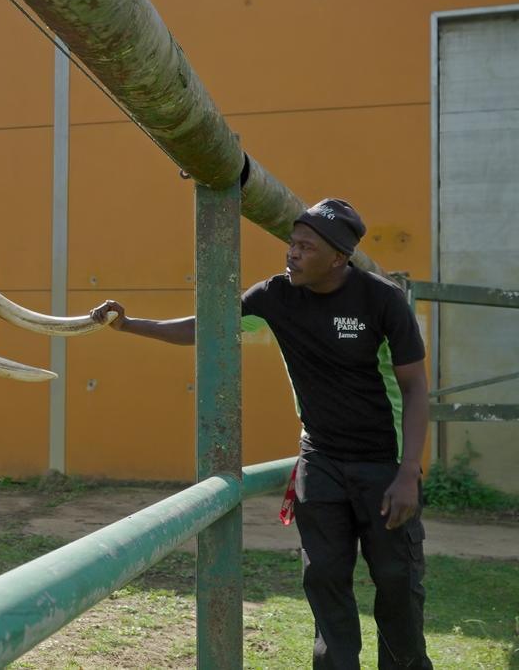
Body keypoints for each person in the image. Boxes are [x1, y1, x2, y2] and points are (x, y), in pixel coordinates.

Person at [90, 199, 431, 669]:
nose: (292, 253)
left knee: (396, 582)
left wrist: (408, 472)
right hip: (321, 460)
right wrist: (129, 324)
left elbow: (415, 388)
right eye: (292, 243)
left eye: (306, 247)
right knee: (324, 579)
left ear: (338, 257)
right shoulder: (275, 296)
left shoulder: (382, 300)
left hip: (384, 464)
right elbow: (206, 327)